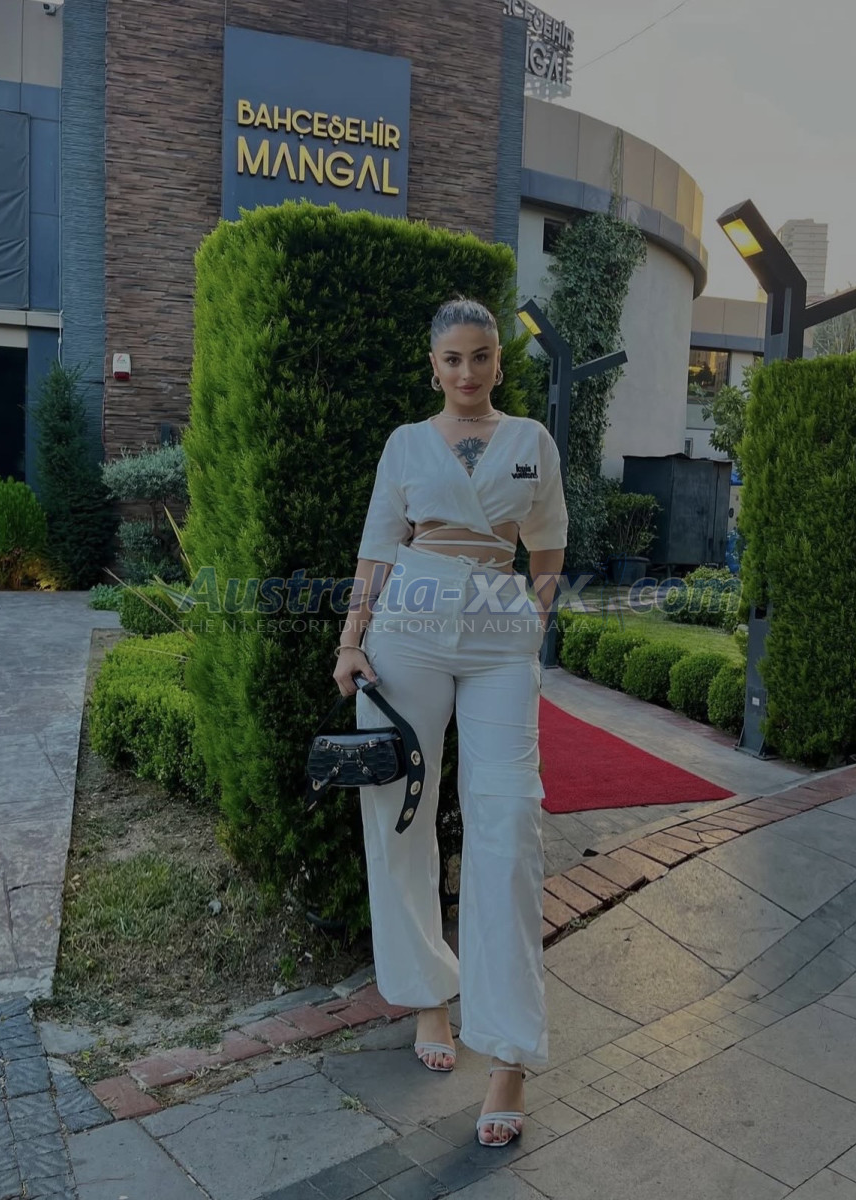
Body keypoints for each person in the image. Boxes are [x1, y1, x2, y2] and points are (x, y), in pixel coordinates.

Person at [333, 297, 568, 1147]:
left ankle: (507, 1054)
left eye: (481, 356)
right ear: (433, 367)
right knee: (398, 815)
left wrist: (535, 618)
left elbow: (548, 540)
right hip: (408, 626)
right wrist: (350, 641)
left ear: (499, 360)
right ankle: (430, 994)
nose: (467, 372)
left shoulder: (531, 440)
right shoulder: (406, 443)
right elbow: (375, 547)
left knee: (509, 823)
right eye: (452, 359)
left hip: (500, 632)